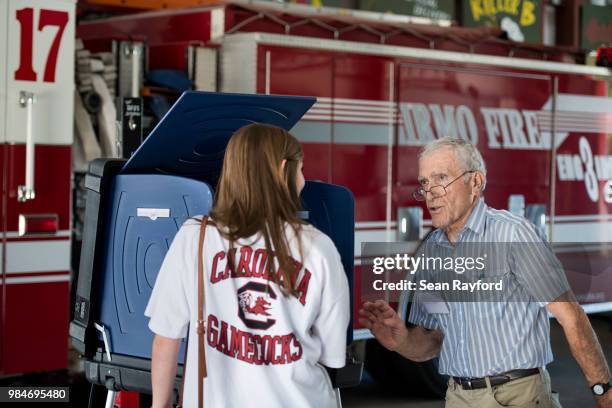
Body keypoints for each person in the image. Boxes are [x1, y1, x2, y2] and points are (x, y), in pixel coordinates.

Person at [359, 137, 611, 408]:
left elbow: (571, 317)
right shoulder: (432, 251)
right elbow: (434, 340)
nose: (430, 192)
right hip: (458, 398)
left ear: (475, 183)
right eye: (424, 183)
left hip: (519, 397)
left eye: (441, 178)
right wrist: (401, 341)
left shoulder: (513, 234)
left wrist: (604, 391)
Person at [145, 123, 350, 408]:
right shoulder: (317, 247)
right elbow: (332, 354)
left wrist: (160, 405)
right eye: (301, 169)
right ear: (282, 170)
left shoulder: (194, 237)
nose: (303, 180)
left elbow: (166, 337)